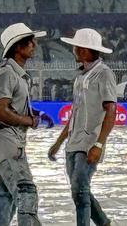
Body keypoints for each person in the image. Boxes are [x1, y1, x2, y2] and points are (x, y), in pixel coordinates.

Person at [48, 28, 117, 226]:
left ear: (84, 50)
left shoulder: (104, 73)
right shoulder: (80, 76)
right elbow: (75, 113)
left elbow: (111, 110)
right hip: (73, 142)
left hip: (89, 142)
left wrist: (99, 144)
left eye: (75, 47)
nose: (73, 51)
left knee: (79, 189)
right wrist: (59, 142)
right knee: (79, 190)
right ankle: (104, 223)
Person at [0, 22, 47, 226]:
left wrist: (34, 114)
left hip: (9, 145)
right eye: (30, 42)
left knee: (3, 196)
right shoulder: (7, 74)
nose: (34, 45)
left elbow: (11, 107)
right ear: (18, 47)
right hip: (8, 146)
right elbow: (1, 111)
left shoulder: (16, 74)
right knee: (26, 192)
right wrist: (29, 120)